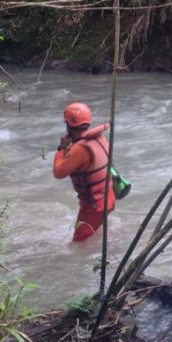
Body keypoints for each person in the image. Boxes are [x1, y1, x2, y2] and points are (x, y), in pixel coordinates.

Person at [53, 102, 115, 241]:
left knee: (79, 243)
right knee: (98, 234)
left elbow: (58, 172)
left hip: (94, 206)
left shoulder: (79, 149)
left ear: (68, 126)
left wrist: (62, 149)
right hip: (109, 197)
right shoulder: (100, 138)